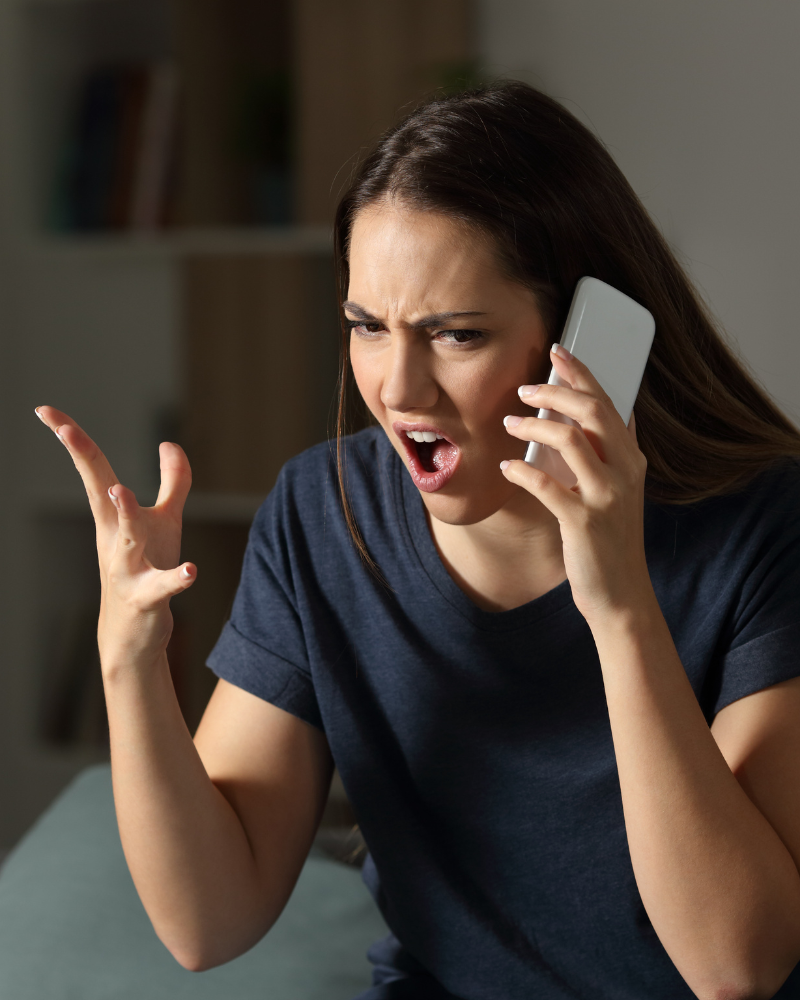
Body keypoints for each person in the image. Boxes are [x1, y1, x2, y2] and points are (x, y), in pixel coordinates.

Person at [35, 80, 800, 1000]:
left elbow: (737, 966)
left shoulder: (766, 525)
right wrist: (129, 658)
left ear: (590, 341)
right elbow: (207, 923)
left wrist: (620, 604)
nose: (397, 389)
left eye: (456, 335)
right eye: (366, 327)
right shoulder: (322, 512)